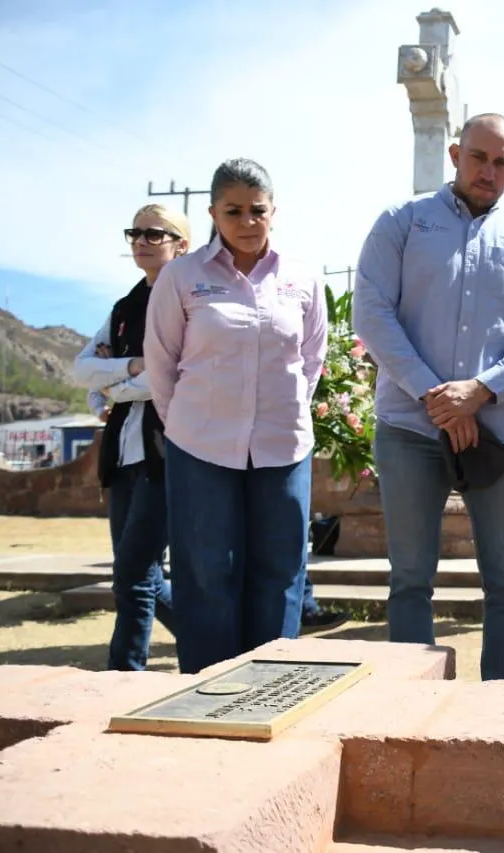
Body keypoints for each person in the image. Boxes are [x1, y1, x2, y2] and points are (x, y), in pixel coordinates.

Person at [353, 113, 504, 681]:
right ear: (454, 154)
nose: (488, 171)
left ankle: (500, 709)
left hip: (498, 432)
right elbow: (370, 313)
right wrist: (436, 397)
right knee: (411, 579)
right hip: (410, 429)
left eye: (502, 163)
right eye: (478, 157)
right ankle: (408, 705)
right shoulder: (402, 222)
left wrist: (481, 391)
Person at [146, 158, 328, 675]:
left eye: (258, 210)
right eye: (233, 211)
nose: (248, 221)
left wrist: (280, 410)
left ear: (274, 211)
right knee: (205, 571)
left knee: (281, 569)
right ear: (212, 213)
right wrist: (190, 422)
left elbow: (310, 361)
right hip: (200, 446)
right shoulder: (183, 276)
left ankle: (268, 683)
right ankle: (208, 686)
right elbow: (162, 364)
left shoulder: (302, 279)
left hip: (283, 445)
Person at [72, 203, 188, 671]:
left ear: (182, 245)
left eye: (155, 233)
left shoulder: (188, 300)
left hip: (168, 449)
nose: (141, 240)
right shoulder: (123, 307)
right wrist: (130, 367)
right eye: (135, 232)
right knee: (134, 571)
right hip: (122, 452)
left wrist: (114, 381)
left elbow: (174, 374)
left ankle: (124, 672)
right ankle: (214, 640)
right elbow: (81, 369)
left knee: (135, 570)